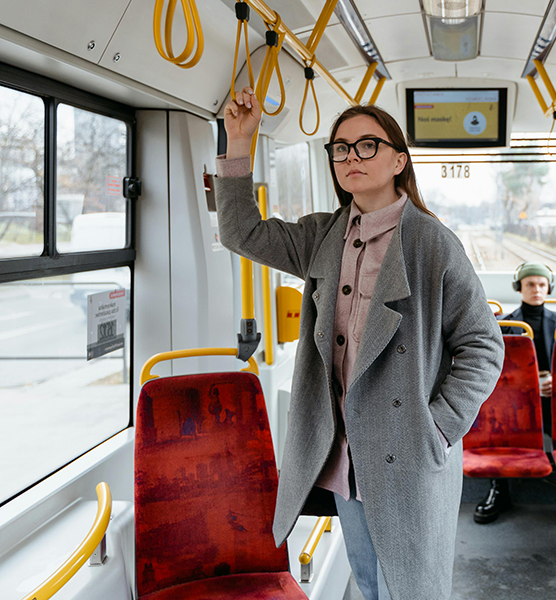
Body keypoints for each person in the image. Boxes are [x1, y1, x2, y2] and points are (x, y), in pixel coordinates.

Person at [215, 87, 503, 600]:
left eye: (368, 145)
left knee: (414, 588)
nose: (352, 157)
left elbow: (482, 345)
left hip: (410, 453)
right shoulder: (323, 236)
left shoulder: (432, 244)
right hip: (348, 455)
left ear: (398, 159)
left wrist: (437, 426)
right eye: (341, 148)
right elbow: (242, 234)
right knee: (368, 582)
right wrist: (240, 142)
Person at [474, 261, 556, 524]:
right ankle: (498, 488)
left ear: (549, 288)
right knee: (499, 420)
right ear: (519, 288)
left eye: (542, 284)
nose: (537, 289)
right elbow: (498, 370)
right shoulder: (506, 324)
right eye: (530, 284)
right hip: (518, 400)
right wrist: (528, 386)